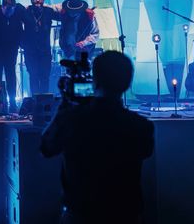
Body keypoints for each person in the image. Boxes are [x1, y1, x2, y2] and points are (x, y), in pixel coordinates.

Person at [40, 51, 154, 224]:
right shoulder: (141, 126)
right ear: (128, 83)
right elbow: (146, 151)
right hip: (125, 215)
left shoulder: (73, 120)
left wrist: (64, 106)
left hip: (80, 215)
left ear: (96, 80)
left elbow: (46, 147)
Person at [22, 0, 61, 94]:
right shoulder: (26, 11)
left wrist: (82, 11)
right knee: (33, 76)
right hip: (30, 51)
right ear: (31, 0)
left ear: (43, 0)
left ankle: (45, 100)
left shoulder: (48, 11)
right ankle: (35, 99)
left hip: (45, 51)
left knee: (45, 77)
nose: (38, 1)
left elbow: (62, 16)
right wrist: (22, 44)